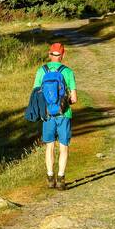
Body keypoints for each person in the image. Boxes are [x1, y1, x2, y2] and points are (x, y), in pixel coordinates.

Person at [33, 42, 77, 189]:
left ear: (50, 54)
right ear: (63, 55)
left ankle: (50, 177)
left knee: (49, 146)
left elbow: (36, 94)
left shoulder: (41, 71)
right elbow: (74, 99)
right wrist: (65, 102)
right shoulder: (68, 72)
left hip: (47, 115)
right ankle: (61, 179)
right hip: (64, 114)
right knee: (64, 147)